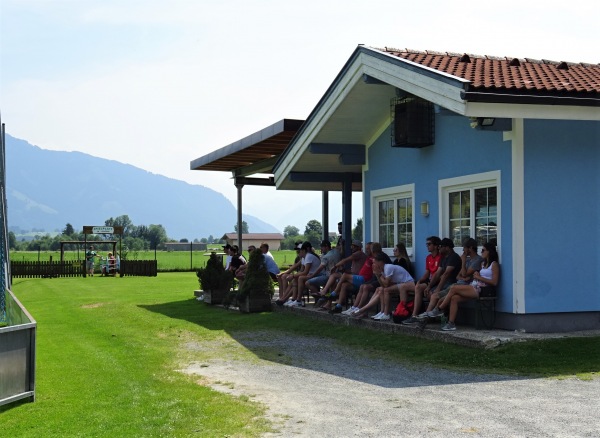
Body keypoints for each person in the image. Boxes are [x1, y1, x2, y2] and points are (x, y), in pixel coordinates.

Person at [437, 242, 500, 331]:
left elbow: (494, 282)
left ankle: (439, 309)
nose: (481, 252)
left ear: (489, 251)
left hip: (483, 289)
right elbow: (462, 275)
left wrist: (479, 277)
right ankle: (451, 323)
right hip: (475, 285)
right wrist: (477, 275)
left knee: (453, 288)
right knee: (454, 298)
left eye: (483, 250)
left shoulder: (494, 264)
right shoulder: (483, 264)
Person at [352, 253, 414, 321]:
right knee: (380, 289)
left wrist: (378, 275)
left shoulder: (388, 267)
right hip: (399, 284)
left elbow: (386, 285)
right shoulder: (382, 270)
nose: (373, 265)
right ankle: (381, 312)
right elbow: (383, 285)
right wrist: (378, 275)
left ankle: (385, 313)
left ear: (380, 262)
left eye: (374, 262)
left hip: (408, 283)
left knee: (386, 290)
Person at [416, 238, 462, 319]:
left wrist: (438, 288)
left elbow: (446, 275)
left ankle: (427, 316)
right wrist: (429, 286)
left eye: (441, 246)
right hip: (445, 284)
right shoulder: (444, 257)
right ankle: (430, 315)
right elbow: (437, 274)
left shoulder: (454, 257)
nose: (439, 248)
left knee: (435, 295)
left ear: (447, 248)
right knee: (430, 292)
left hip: (452, 284)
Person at [401, 236, 442, 325]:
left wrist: (428, 284)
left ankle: (418, 316)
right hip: (429, 281)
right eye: (426, 244)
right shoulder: (428, 257)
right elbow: (427, 272)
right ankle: (405, 312)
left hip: (437, 282)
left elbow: (438, 275)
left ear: (435, 246)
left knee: (423, 290)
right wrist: (420, 280)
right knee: (407, 286)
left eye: (429, 244)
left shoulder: (440, 257)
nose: (427, 246)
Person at [282, 241, 322, 307]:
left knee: (300, 278)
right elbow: (302, 271)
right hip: (311, 275)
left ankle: (297, 300)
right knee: (295, 279)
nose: (298, 252)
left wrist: (293, 275)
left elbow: (305, 272)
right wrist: (294, 276)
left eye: (299, 251)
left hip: (316, 275)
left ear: (303, 250)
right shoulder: (304, 257)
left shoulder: (309, 256)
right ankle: (290, 299)